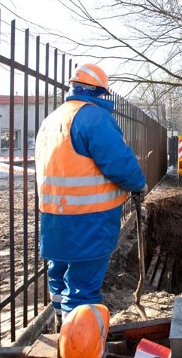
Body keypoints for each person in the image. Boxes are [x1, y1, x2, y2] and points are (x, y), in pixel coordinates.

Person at [35, 62, 147, 331]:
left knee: (59, 278)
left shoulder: (53, 119)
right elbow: (119, 162)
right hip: (88, 221)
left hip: (54, 218)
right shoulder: (94, 118)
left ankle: (62, 329)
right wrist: (138, 184)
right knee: (83, 291)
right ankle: (79, 341)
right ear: (100, 92)